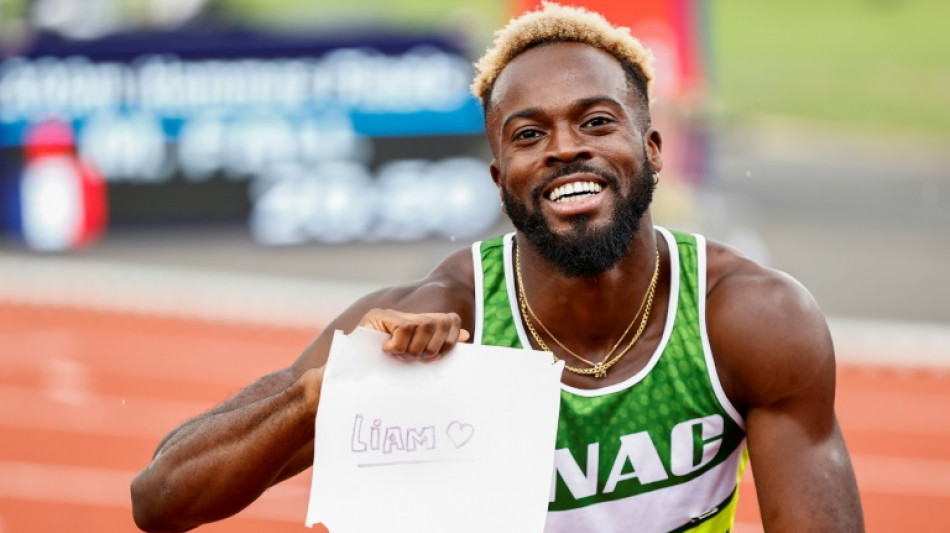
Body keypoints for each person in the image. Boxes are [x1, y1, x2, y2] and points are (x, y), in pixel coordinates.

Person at [131, 3, 865, 532]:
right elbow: (159, 497)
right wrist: (322, 396)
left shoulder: (746, 318)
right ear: (499, 175)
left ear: (653, 149)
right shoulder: (438, 317)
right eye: (528, 133)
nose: (564, 148)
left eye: (597, 121)